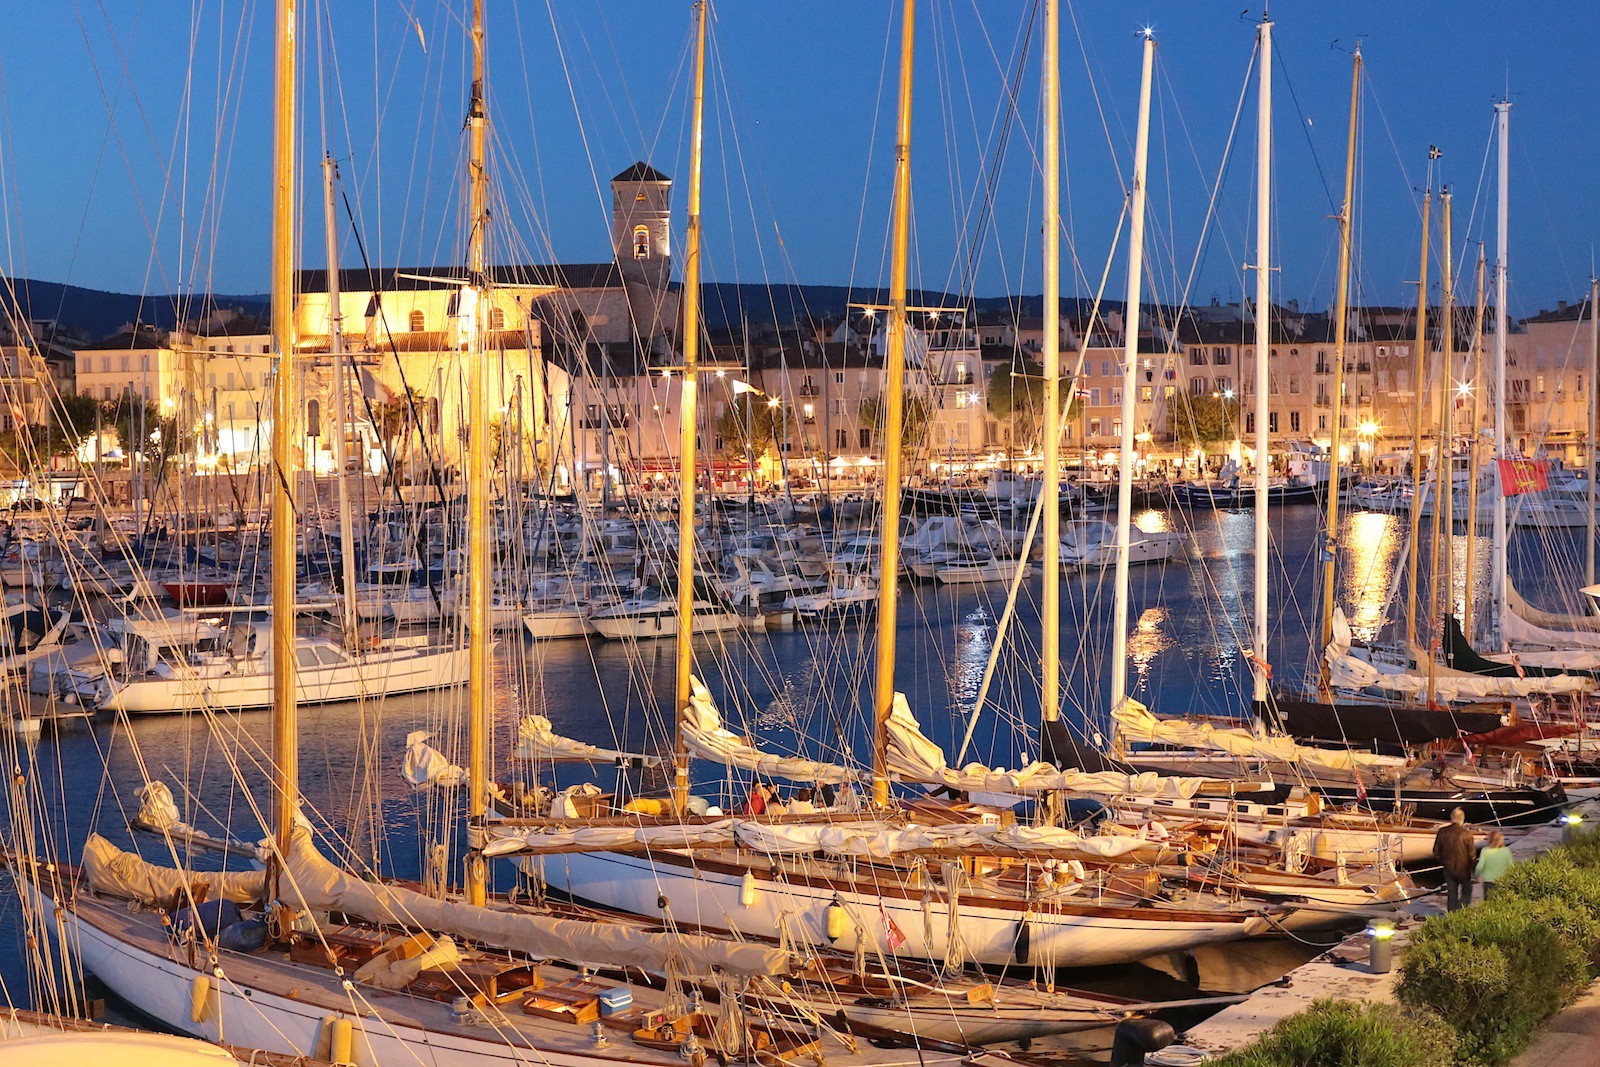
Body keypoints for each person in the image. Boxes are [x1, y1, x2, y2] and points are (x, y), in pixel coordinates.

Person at [1434, 807, 1477, 911]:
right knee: (1467, 891)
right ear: (1462, 819)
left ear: (1451, 818)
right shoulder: (1467, 834)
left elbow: (1436, 852)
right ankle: (1461, 910)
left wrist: (1444, 862)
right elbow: (1472, 855)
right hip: (1463, 869)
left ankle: (1452, 914)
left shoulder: (1442, 832)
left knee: (1452, 893)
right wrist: (1473, 868)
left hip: (1448, 868)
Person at [1475, 830, 1514, 898]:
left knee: (1488, 903)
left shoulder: (1485, 851)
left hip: (1488, 881)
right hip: (1503, 881)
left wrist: (1476, 876)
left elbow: (1480, 866)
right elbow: (1511, 866)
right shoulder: (1506, 851)